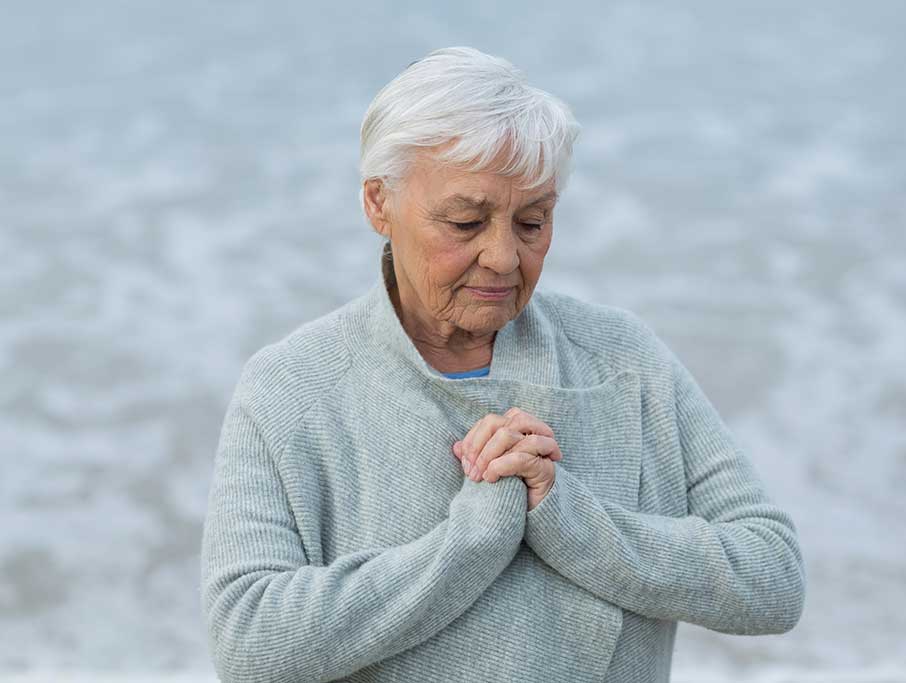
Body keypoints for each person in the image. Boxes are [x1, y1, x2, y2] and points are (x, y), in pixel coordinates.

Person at [199, 46, 806, 683]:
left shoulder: (622, 361)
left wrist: (567, 517)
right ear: (380, 204)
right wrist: (473, 541)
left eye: (532, 222)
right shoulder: (292, 386)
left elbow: (772, 579)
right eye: (465, 221)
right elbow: (250, 643)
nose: (504, 257)